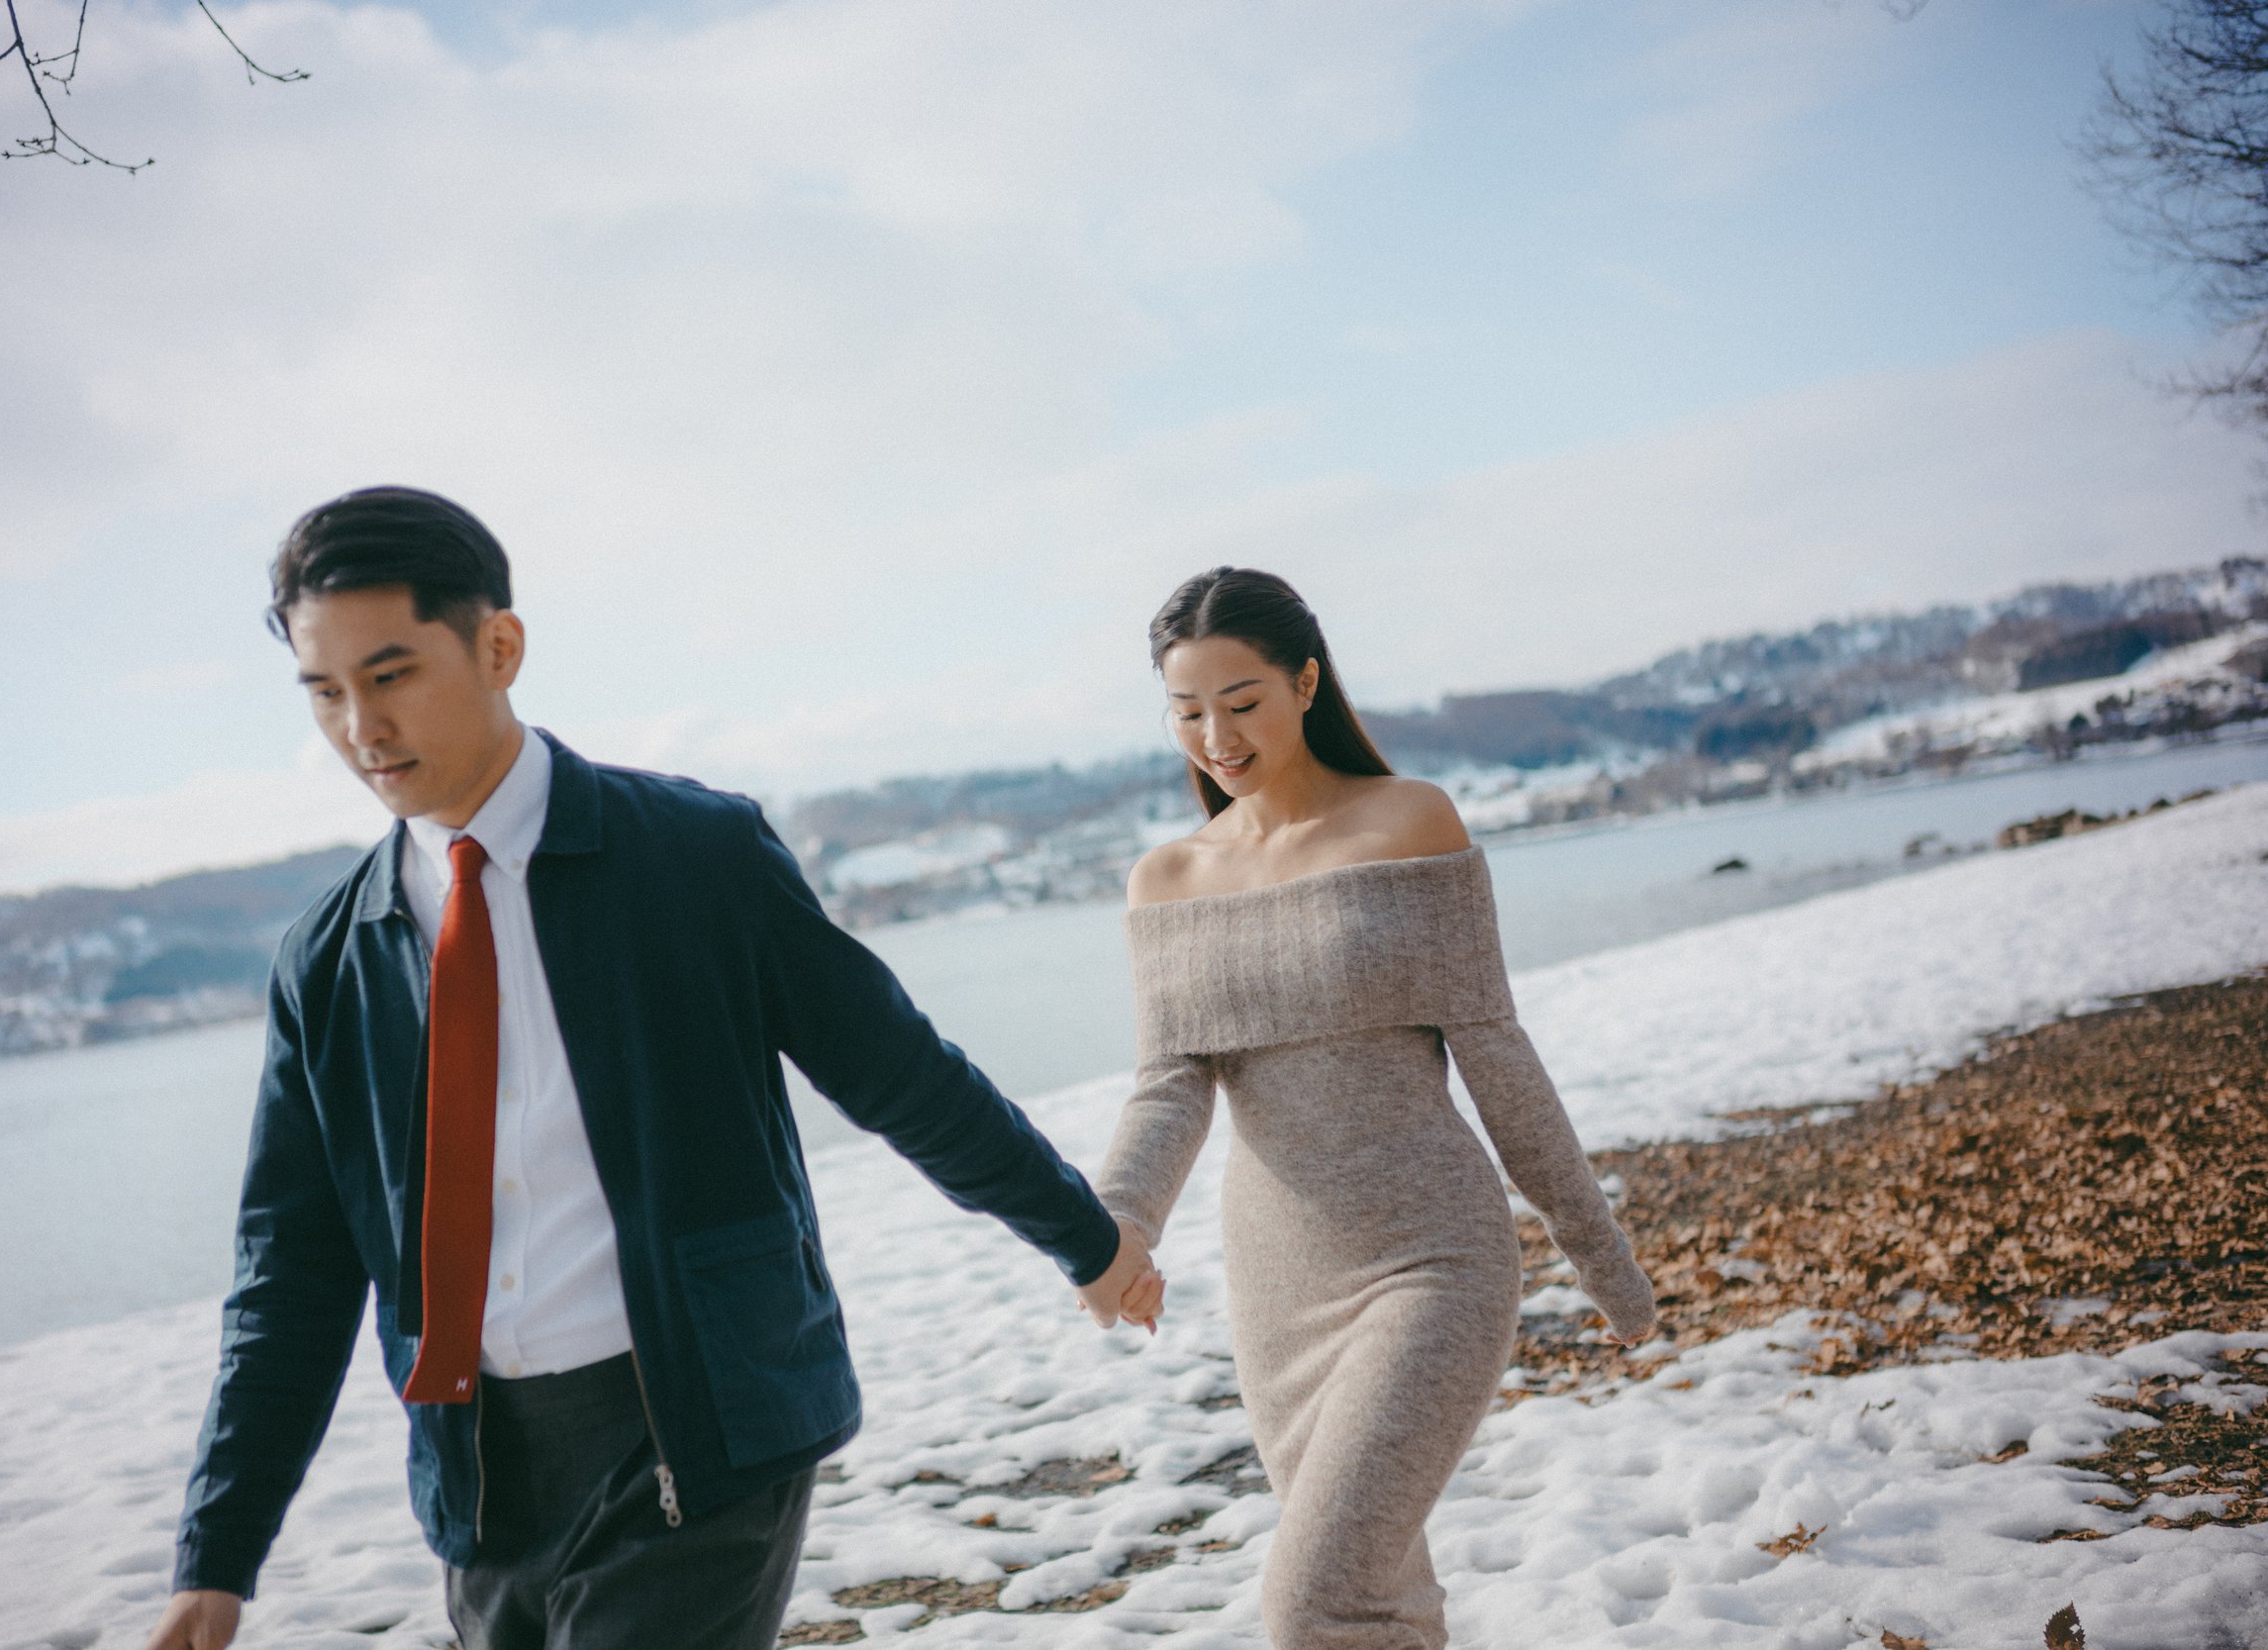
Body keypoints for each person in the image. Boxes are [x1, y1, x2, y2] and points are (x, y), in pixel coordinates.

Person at [142, 486, 1158, 1650]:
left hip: (697, 1426)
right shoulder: (326, 961)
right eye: (324, 692)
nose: (361, 727)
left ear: (499, 645)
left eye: (391, 674)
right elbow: (292, 1271)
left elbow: (895, 1069)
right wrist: (215, 1556)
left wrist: (1083, 1235)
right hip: (481, 1479)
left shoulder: (694, 855)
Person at [1092, 567, 1657, 1650]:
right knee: (1382, 1596)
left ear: (1306, 682)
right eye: (1187, 710)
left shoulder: (1408, 823)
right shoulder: (1165, 879)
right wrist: (1117, 1224)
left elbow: (1495, 1049)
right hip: (1276, 1283)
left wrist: (1596, 1251)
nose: (1216, 734)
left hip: (1430, 1256)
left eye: (1242, 699)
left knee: (1313, 1602)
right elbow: (1168, 1085)